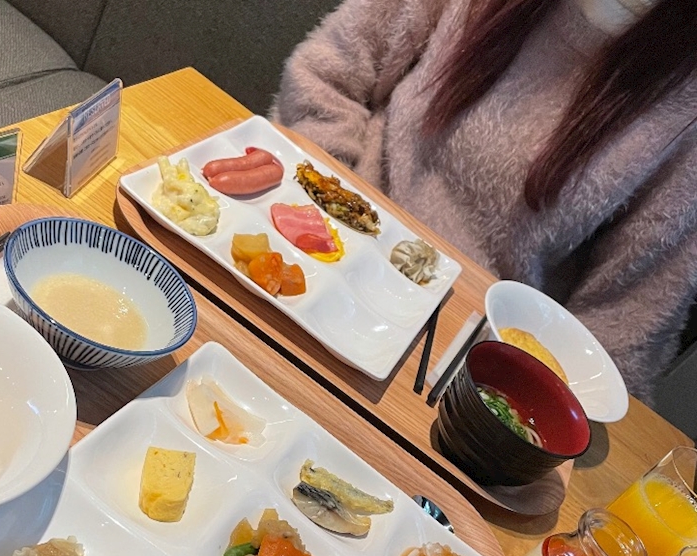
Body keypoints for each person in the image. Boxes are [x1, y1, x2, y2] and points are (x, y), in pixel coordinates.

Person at [273, 0, 697, 406]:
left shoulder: (686, 113)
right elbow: (325, 77)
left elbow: (621, 334)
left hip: (447, 361)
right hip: (321, 233)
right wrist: (331, 217)